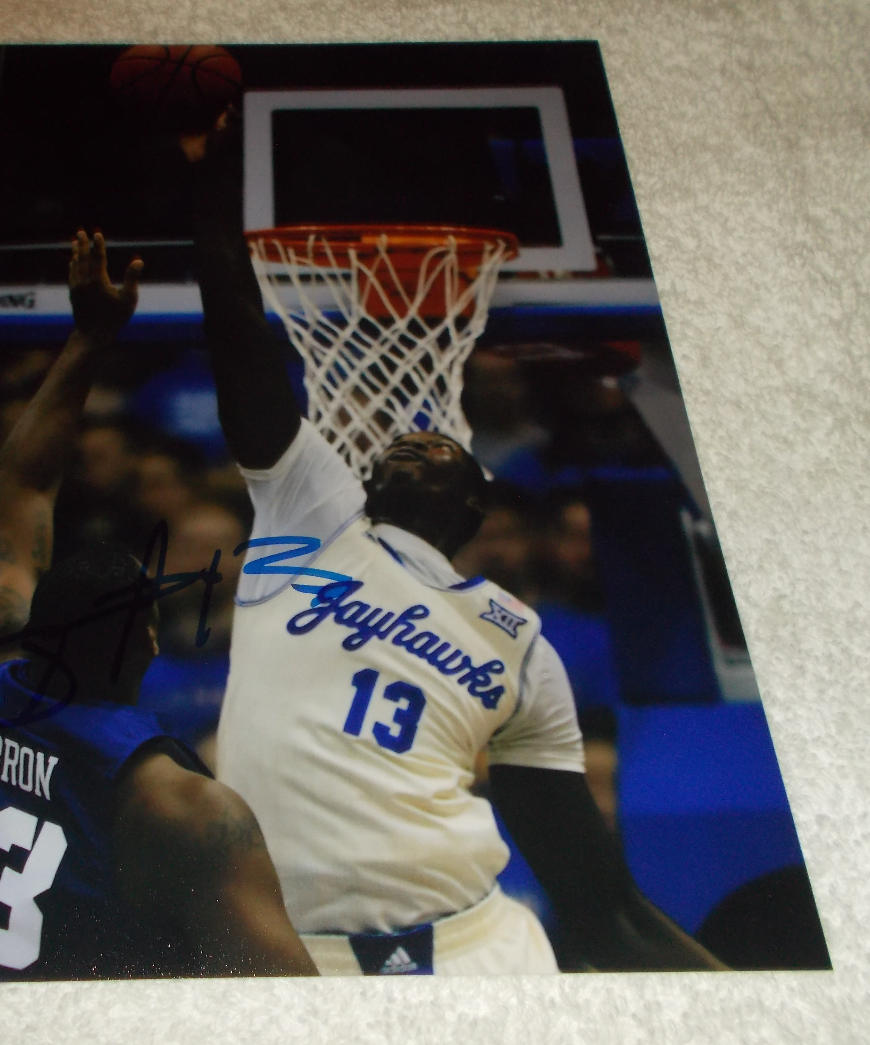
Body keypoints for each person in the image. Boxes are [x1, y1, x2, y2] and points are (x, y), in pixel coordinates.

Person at [180, 116, 725, 975]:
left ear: (478, 504)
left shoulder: (518, 636)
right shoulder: (310, 518)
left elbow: (597, 897)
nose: (414, 433)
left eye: (439, 443)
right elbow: (242, 349)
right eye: (401, 443)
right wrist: (203, 189)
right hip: (293, 957)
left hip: (478, 947)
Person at [0, 231, 315, 981]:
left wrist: (88, 337)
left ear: (32, 628)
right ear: (149, 636)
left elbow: (18, 492)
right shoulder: (178, 807)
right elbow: (293, 1008)